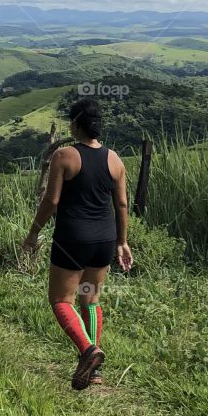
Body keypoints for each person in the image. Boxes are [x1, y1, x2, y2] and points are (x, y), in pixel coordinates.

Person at [22, 97, 132, 390]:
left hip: (73, 239)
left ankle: (87, 350)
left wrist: (33, 232)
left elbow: (52, 200)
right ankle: (94, 371)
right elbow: (121, 204)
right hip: (104, 240)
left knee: (61, 300)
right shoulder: (115, 159)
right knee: (90, 298)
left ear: (75, 124)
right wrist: (122, 242)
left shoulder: (64, 156)